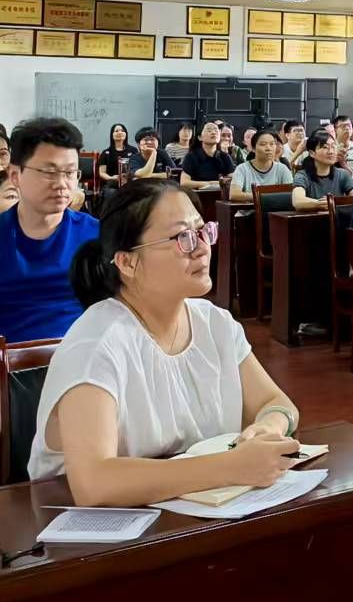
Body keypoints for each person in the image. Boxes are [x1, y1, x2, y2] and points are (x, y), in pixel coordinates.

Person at [27, 183, 301, 502]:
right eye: (182, 237)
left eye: (203, 231)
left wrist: (270, 426)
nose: (202, 248)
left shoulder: (215, 324)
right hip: (87, 522)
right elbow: (93, 484)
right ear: (127, 262)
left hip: (192, 509)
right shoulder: (95, 344)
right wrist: (231, 466)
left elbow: (277, 403)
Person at [0, 117, 99, 350]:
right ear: (15, 175)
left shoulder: (96, 235)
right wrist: (7, 364)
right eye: (49, 172)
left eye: (70, 173)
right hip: (7, 364)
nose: (62, 184)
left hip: (83, 359)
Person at [293, 132, 353, 208]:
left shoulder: (342, 174)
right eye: (325, 147)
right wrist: (321, 204)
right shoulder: (302, 175)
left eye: (333, 146)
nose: (331, 151)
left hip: (338, 215)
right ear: (312, 153)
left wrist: (332, 202)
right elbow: (298, 201)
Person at [230, 128, 294, 200]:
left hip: (277, 207)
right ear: (253, 148)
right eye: (263, 144)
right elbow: (234, 194)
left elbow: (291, 193)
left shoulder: (282, 169)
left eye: (272, 144)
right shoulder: (242, 169)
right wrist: (264, 198)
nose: (268, 148)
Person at [181, 120, 236, 189]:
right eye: (209, 130)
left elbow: (234, 180)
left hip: (220, 194)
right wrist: (210, 184)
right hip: (198, 194)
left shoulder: (225, 156)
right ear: (200, 137)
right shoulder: (191, 156)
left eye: (216, 130)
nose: (213, 132)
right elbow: (184, 183)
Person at [95, 123, 138, 187]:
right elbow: (102, 173)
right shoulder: (106, 153)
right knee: (111, 191)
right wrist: (111, 178)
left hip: (129, 183)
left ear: (126, 134)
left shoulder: (133, 150)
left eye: (122, 131)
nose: (120, 132)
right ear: (112, 135)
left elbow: (137, 169)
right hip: (112, 183)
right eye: (116, 131)